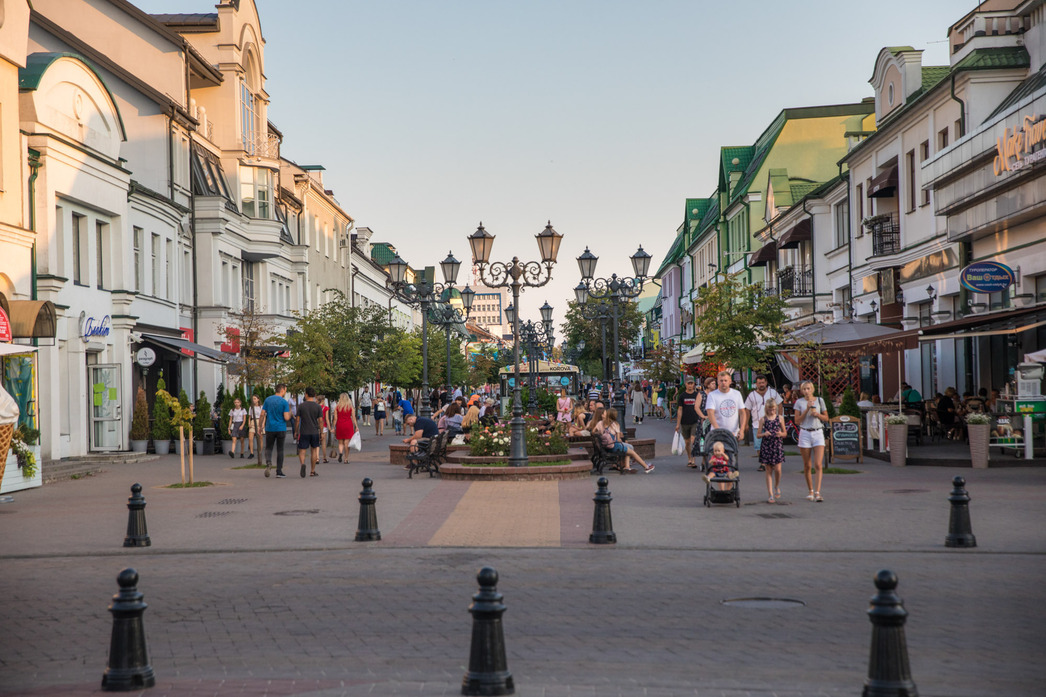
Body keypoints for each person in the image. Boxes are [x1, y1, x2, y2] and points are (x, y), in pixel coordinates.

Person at [794, 380, 829, 502]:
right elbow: (797, 421)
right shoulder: (799, 402)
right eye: (804, 389)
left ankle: (818, 492)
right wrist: (806, 410)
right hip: (805, 432)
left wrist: (817, 415)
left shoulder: (820, 400)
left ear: (812, 389)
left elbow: (826, 417)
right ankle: (810, 491)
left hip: (818, 432)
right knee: (807, 464)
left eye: (808, 388)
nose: (806, 391)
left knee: (818, 464)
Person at [744, 374, 782, 470]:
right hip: (757, 423)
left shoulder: (772, 393)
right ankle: (763, 463)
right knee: (758, 445)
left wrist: (780, 419)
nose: (761, 384)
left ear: (766, 382)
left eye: (763, 382)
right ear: (756, 384)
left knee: (772, 444)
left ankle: (772, 462)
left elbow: (780, 405)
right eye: (759, 383)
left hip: (772, 423)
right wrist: (745, 424)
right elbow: (747, 410)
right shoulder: (751, 395)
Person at [601, 409, 653, 473]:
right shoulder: (615, 424)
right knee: (631, 451)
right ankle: (646, 467)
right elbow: (618, 439)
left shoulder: (603, 423)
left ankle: (627, 466)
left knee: (628, 449)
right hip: (613, 446)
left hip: (606, 446)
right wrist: (621, 438)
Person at [757, 399, 785, 503]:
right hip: (767, 445)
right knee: (768, 470)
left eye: (773, 409)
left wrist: (780, 434)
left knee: (778, 469)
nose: (772, 411)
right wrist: (764, 434)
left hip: (777, 445)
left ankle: (776, 486)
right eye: (770, 409)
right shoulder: (763, 419)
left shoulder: (780, 418)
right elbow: (758, 434)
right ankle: (770, 494)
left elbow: (785, 433)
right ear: (766, 409)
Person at [706, 370, 747, 441]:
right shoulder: (712, 395)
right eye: (721, 381)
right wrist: (718, 430)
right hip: (717, 434)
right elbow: (710, 413)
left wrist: (742, 430)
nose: (723, 383)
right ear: (718, 382)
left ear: (730, 381)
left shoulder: (737, 394)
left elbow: (742, 412)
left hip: (733, 434)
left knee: (732, 452)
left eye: (725, 380)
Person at [261, 384, 291, 478]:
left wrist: (260, 426)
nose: (285, 392)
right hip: (280, 428)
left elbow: (262, 414)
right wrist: (290, 414)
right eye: (285, 390)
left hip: (270, 427)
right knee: (280, 449)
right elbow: (286, 417)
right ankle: (279, 471)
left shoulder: (268, 400)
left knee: (268, 447)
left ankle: (268, 462)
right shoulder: (284, 402)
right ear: (282, 390)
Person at [295, 387, 324, 478]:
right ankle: (312, 471)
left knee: (302, 450)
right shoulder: (318, 406)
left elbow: (297, 420)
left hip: (304, 431)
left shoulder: (301, 406)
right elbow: (320, 421)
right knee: (314, 451)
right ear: (314, 395)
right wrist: (321, 432)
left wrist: (296, 431)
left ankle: (303, 464)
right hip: (314, 431)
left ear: (306, 394)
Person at [675, 376, 701, 468]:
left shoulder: (698, 395)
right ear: (686, 384)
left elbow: (701, 408)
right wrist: (678, 424)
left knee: (693, 440)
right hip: (684, 421)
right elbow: (680, 409)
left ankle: (693, 459)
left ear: (694, 384)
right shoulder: (682, 396)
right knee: (687, 442)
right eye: (688, 383)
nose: (690, 385)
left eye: (692, 383)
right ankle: (689, 457)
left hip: (695, 421)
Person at [331, 393, 359, 463]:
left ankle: (340, 453)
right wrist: (356, 426)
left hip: (340, 425)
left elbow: (335, 418)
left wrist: (333, 427)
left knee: (340, 442)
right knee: (347, 443)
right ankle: (346, 459)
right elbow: (353, 418)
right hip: (348, 425)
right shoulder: (350, 407)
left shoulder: (337, 407)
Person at [246, 393, 264, 460]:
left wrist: (262, 424)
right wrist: (249, 422)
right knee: (250, 438)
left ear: (258, 399)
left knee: (260, 438)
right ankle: (251, 452)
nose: (253, 400)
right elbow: (249, 416)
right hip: (253, 421)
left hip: (259, 421)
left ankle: (260, 451)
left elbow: (264, 416)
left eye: (255, 399)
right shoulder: (251, 407)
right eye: (253, 399)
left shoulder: (261, 407)